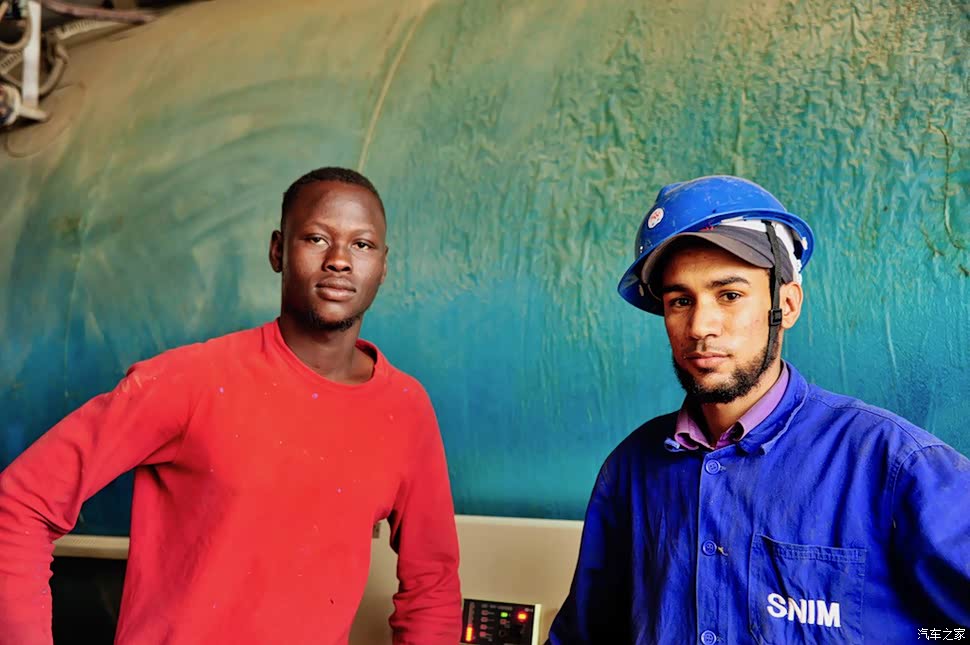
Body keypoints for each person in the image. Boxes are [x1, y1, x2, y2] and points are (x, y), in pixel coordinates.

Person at [0, 167, 462, 645]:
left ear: (383, 266)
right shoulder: (190, 380)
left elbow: (433, 585)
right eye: (317, 239)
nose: (340, 260)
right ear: (278, 251)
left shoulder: (405, 409)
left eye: (362, 244)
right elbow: (19, 505)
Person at [548, 175, 970, 644]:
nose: (700, 326)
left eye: (729, 295)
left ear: (786, 305)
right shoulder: (631, 469)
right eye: (680, 301)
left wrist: (914, 637)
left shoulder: (893, 464)